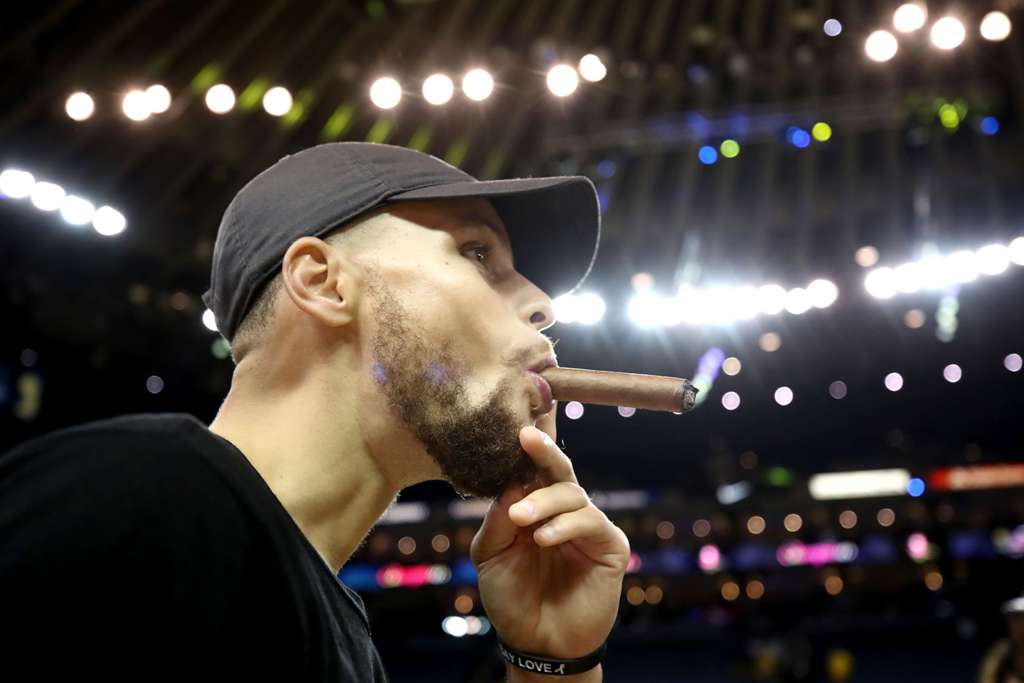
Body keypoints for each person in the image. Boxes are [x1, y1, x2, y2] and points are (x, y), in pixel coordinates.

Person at [0, 142, 629, 681]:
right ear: (324, 283)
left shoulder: (344, 642)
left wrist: (550, 663)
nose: (545, 304)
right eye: (476, 252)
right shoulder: (143, 499)